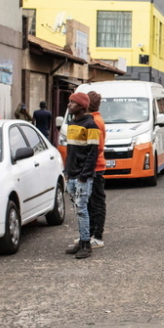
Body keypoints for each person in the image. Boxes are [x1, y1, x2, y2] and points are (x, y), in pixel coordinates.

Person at [63, 92, 101, 259]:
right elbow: (70, 152)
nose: (68, 105)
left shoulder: (91, 125)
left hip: (82, 177)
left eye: (72, 102)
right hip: (71, 175)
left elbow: (93, 153)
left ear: (81, 106)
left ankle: (86, 244)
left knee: (82, 209)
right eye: (69, 101)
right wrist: (66, 171)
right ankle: (82, 240)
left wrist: (83, 176)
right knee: (77, 210)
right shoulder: (71, 124)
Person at [86, 91, 106, 249]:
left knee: (96, 202)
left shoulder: (95, 121)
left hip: (95, 167)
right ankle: (91, 233)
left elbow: (97, 147)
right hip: (93, 166)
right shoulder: (94, 119)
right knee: (90, 203)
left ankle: (97, 236)